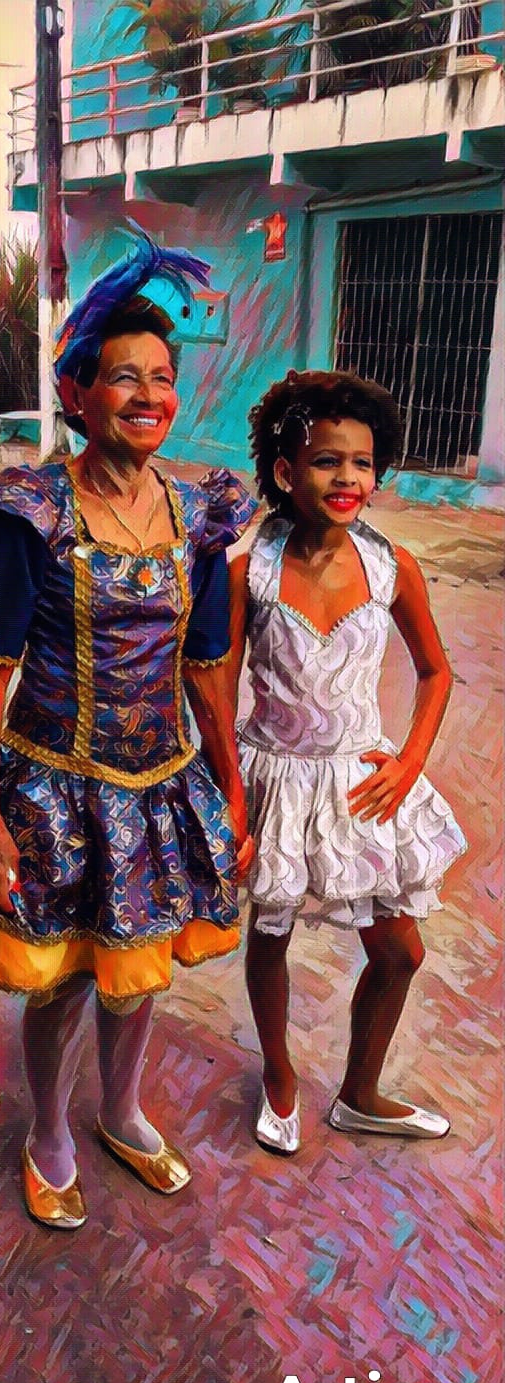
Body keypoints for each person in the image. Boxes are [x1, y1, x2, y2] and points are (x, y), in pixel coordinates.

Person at [0, 226, 257, 1228]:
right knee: (62, 980)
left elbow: (208, 663)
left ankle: (122, 1113)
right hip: (53, 784)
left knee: (138, 971)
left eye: (162, 379)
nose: (147, 396)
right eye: (123, 377)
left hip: (161, 784)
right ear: (77, 391)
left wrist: (230, 786)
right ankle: (49, 1130)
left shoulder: (202, 512)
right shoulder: (30, 509)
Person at [229, 370, 466, 1154]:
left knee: (400, 951)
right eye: (327, 461)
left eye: (362, 462)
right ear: (285, 470)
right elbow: (216, 687)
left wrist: (409, 762)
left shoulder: (394, 566)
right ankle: (279, 1075)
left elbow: (436, 673)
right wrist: (230, 794)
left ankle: (361, 1093)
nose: (347, 479)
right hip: (276, 776)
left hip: (363, 784)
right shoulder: (249, 571)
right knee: (271, 932)